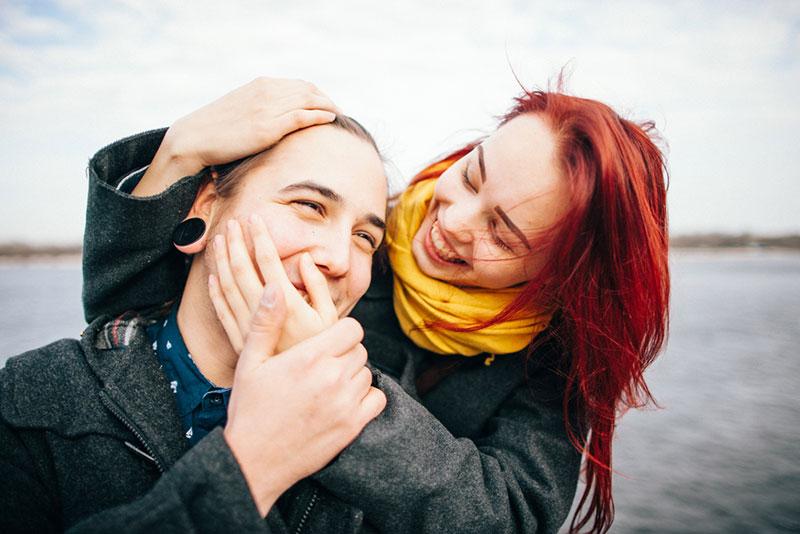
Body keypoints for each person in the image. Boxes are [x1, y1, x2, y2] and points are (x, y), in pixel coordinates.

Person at [85, 76, 668, 533]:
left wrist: (330, 383)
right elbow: (135, 332)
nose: (453, 222)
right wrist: (177, 154)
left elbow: (510, 516)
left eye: (503, 233)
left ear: (558, 275)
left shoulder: (550, 361)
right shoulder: (360, 237)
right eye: (471, 176)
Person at [0, 78, 391, 532]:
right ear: (205, 207)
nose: (340, 259)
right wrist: (251, 468)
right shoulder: (33, 398)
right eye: (309, 205)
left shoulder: (378, 426)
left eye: (365, 237)